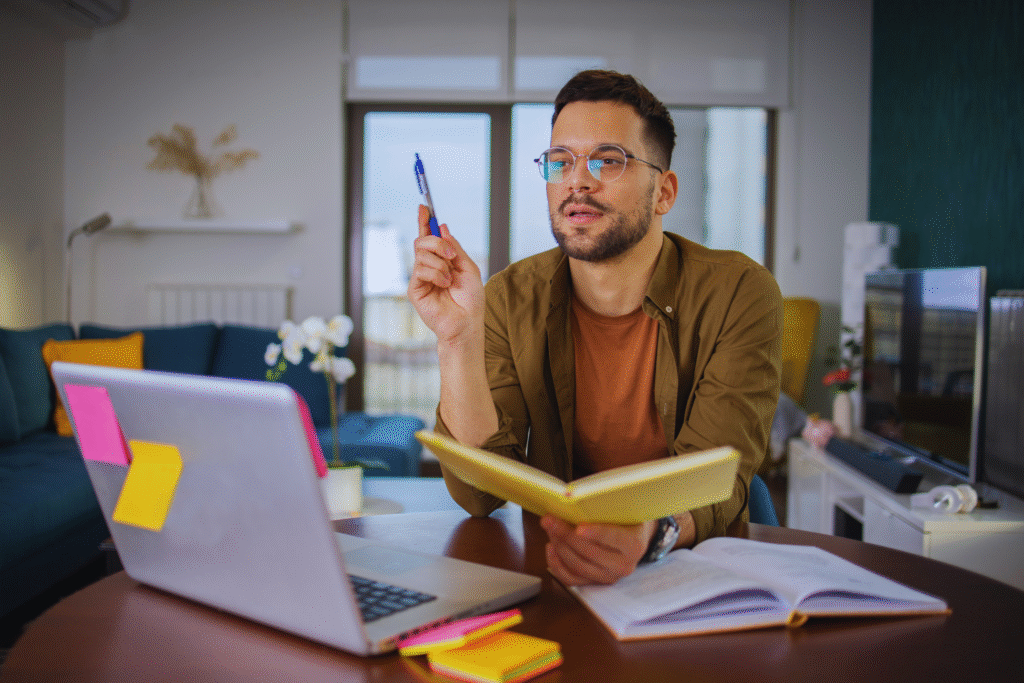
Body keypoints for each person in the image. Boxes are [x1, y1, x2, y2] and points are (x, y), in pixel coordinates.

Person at [408, 70, 781, 586]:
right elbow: (479, 493)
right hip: (560, 567)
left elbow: (719, 477)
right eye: (560, 162)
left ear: (664, 192)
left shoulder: (739, 291)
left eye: (608, 160)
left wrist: (649, 535)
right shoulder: (509, 298)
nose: (577, 181)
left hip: (692, 571)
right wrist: (456, 340)